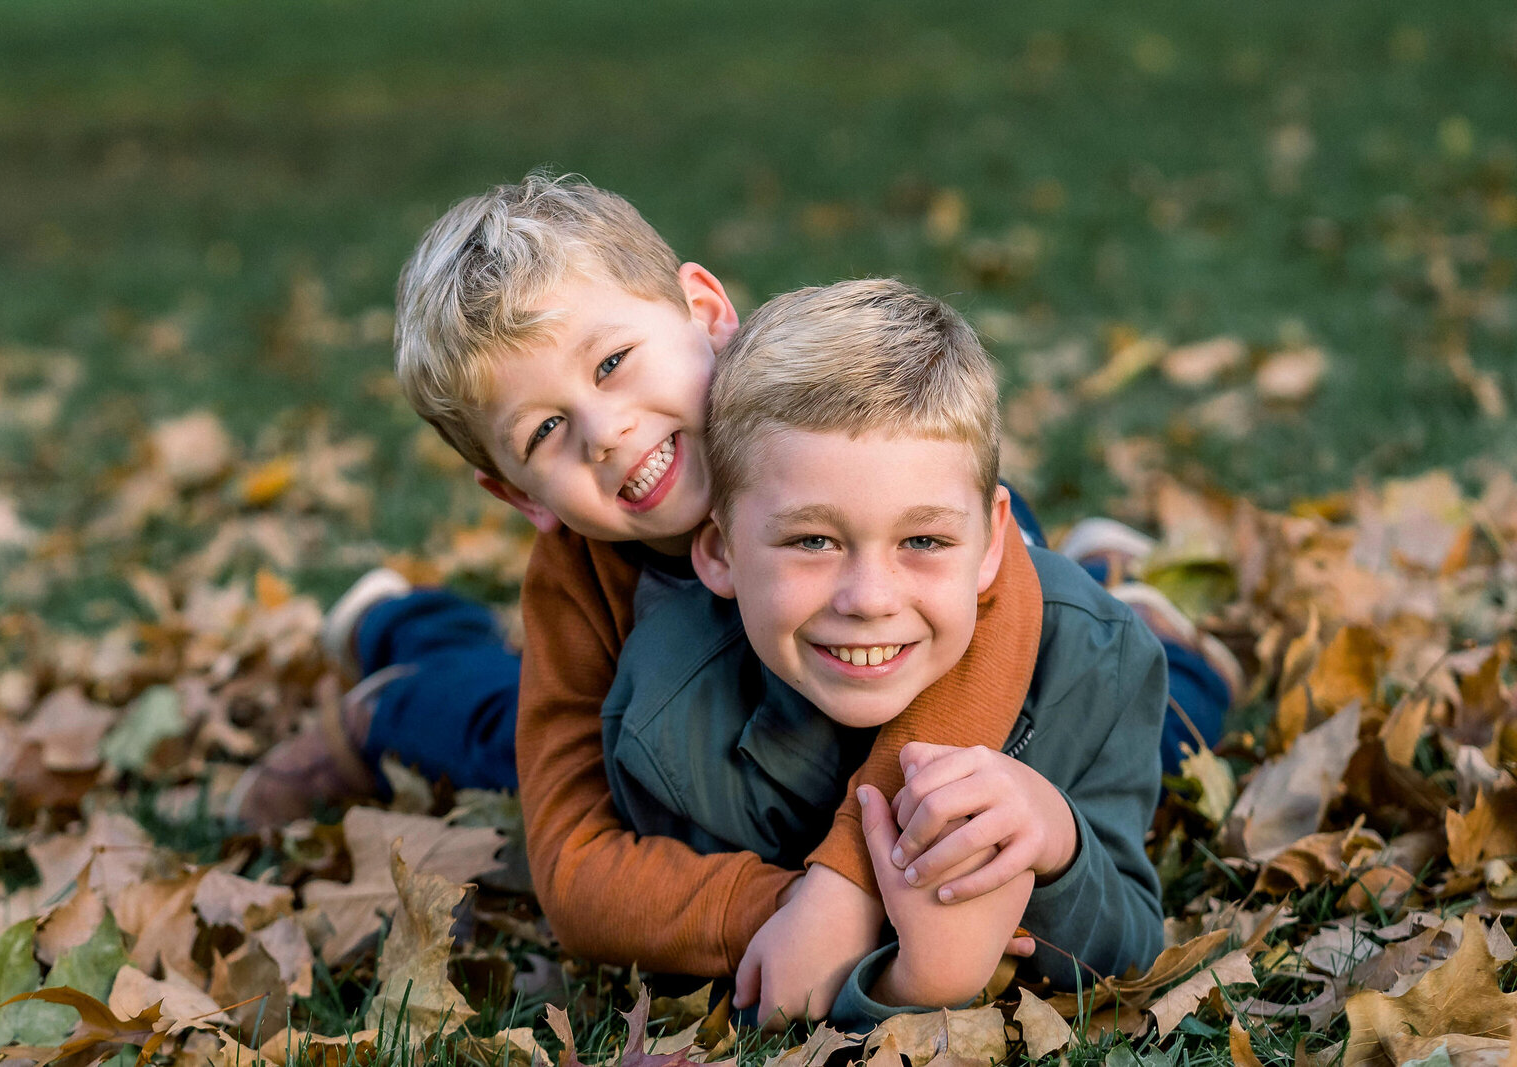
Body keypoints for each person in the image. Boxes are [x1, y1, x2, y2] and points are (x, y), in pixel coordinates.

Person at [229, 173, 1239, 1020]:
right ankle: (395, 648)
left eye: (615, 363)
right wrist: (787, 903)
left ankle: (1145, 609)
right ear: (515, 493)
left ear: (709, 315)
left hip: (935, 659)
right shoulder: (585, 581)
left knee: (1135, 715)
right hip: (699, 747)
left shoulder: (833, 404)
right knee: (503, 732)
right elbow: (577, 868)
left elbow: (1008, 616)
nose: (608, 432)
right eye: (545, 432)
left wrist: (847, 880)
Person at [601, 278, 1170, 1024]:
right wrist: (916, 984)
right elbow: (725, 986)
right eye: (813, 540)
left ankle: (1160, 607)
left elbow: (1133, 940)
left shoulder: (1102, 662)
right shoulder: (666, 727)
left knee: (1194, 696)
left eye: (923, 540)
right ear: (720, 551)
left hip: (1101, 640)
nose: (868, 598)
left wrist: (1059, 841)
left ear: (993, 540)